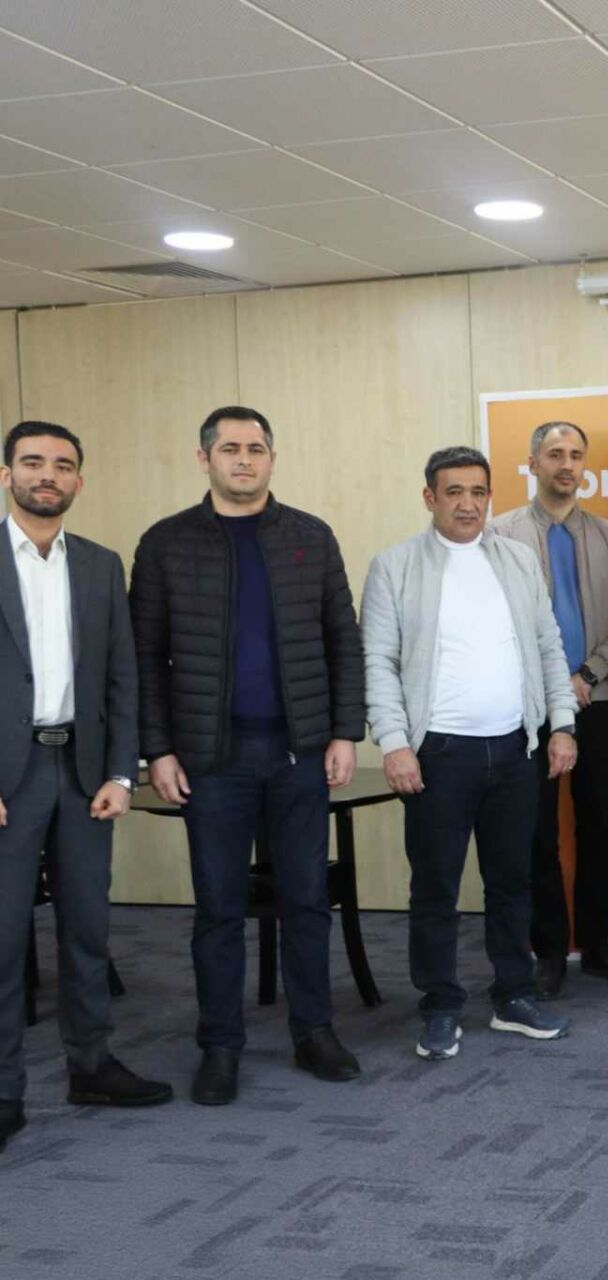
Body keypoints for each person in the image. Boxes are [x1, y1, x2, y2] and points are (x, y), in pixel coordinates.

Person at [131, 407, 365, 1106]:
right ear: (204, 457)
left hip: (298, 751)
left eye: (256, 448)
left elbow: (343, 639)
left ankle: (314, 1031)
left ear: (271, 458)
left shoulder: (310, 536)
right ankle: (220, 1046)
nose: (243, 459)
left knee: (306, 901)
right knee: (219, 908)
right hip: (212, 757)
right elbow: (145, 657)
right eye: (229, 448)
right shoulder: (166, 543)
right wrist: (157, 749)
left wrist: (344, 731)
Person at [362, 447, 577, 1060]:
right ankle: (439, 1006)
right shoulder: (395, 567)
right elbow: (377, 661)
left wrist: (562, 724)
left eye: (478, 492)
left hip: (515, 750)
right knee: (435, 888)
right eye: (453, 491)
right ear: (429, 497)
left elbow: (549, 646)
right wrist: (394, 744)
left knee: (512, 881)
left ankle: (513, 996)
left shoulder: (517, 560)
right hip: (437, 756)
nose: (467, 504)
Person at [0, 422, 172, 1151]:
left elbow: (123, 676)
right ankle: (3, 1091)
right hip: (7, 779)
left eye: (63, 465)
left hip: (83, 772)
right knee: (4, 939)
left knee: (87, 930)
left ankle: (92, 1064)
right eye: (33, 462)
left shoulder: (100, 565)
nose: (48, 474)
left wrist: (121, 772)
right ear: (6, 474)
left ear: (79, 480)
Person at [490, 421, 608, 997]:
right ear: (533, 463)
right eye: (555, 454)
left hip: (595, 702)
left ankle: (597, 945)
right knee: (537, 834)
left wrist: (588, 674)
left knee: (599, 827)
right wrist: (550, 686)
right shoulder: (498, 535)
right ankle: (549, 950)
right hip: (527, 711)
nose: (566, 464)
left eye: (576, 455)